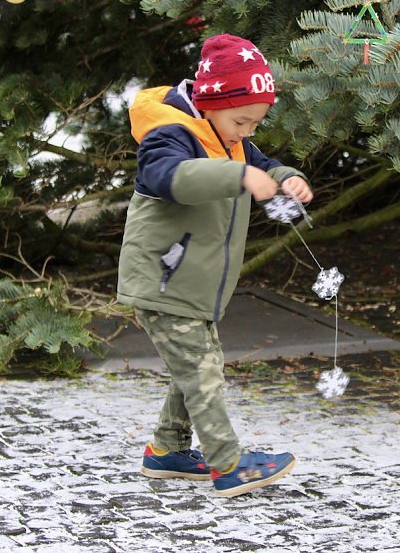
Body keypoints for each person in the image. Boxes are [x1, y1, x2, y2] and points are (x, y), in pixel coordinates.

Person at [117, 34, 313, 498]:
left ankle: (167, 450)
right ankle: (228, 464)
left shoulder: (231, 137)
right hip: (162, 280)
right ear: (210, 102)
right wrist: (237, 175)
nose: (247, 131)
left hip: (194, 284)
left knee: (197, 368)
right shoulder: (171, 134)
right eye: (242, 120)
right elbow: (168, 178)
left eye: (255, 122)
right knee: (202, 372)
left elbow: (261, 161)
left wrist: (288, 177)